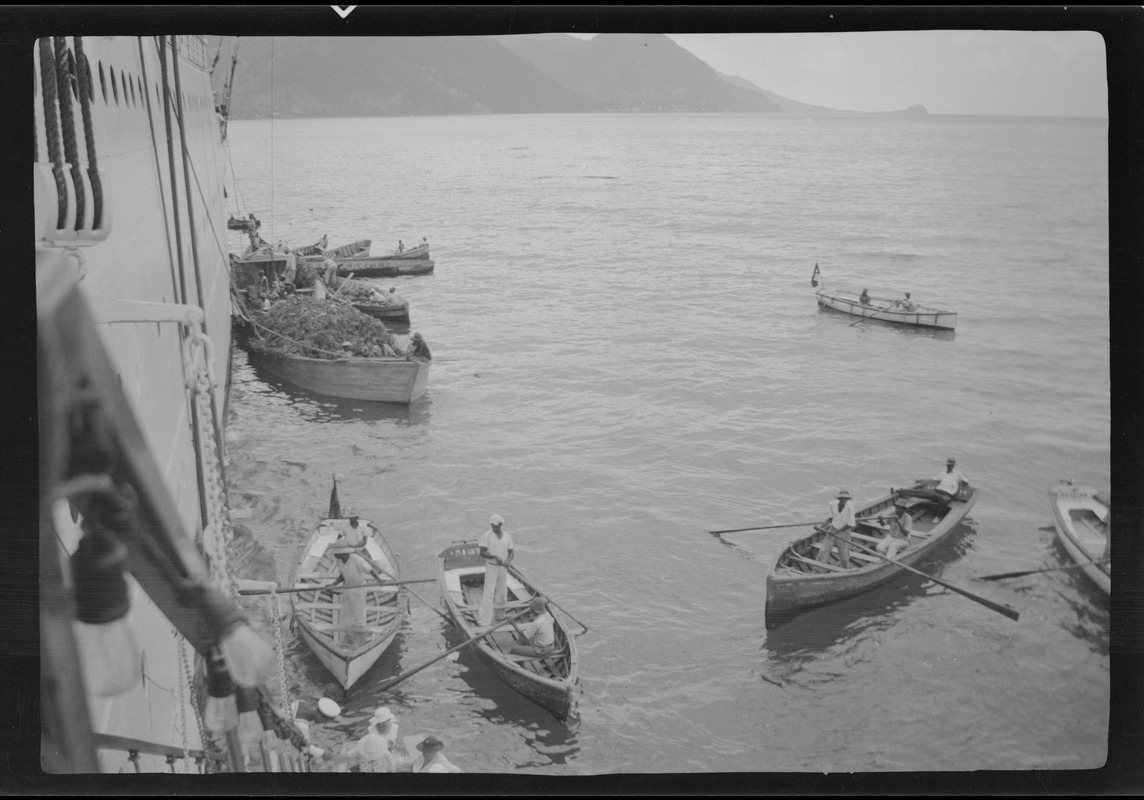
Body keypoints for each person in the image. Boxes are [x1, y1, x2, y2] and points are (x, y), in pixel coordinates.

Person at [477, 514, 514, 626]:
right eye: (492, 525)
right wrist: (493, 557)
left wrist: (508, 561)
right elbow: (482, 552)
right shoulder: (486, 536)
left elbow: (512, 552)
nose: (493, 527)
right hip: (492, 567)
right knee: (488, 593)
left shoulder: (507, 536)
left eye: (496, 526)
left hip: (502, 568)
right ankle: (484, 621)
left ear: (501, 525)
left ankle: (500, 616)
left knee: (502, 593)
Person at [815, 489, 857, 567]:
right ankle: (817, 570)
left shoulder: (850, 508)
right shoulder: (832, 504)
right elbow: (830, 519)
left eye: (845, 499)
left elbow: (850, 525)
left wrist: (836, 531)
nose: (843, 500)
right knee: (823, 551)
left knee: (844, 557)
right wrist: (821, 526)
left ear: (847, 499)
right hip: (832, 530)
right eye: (842, 498)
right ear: (839, 499)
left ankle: (845, 571)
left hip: (844, 533)